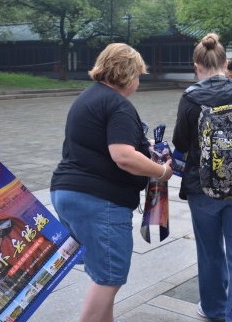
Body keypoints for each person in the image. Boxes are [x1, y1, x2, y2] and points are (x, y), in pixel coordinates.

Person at [50, 43, 174, 322]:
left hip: (68, 192)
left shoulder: (87, 98)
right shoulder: (118, 104)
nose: (138, 82)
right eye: (138, 75)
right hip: (99, 200)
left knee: (102, 273)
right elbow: (123, 156)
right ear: (127, 74)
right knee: (110, 276)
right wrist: (161, 171)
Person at [172, 33, 232, 322]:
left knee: (210, 252)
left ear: (196, 66)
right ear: (226, 63)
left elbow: (180, 143)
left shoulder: (190, 98)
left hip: (203, 189)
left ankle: (213, 308)